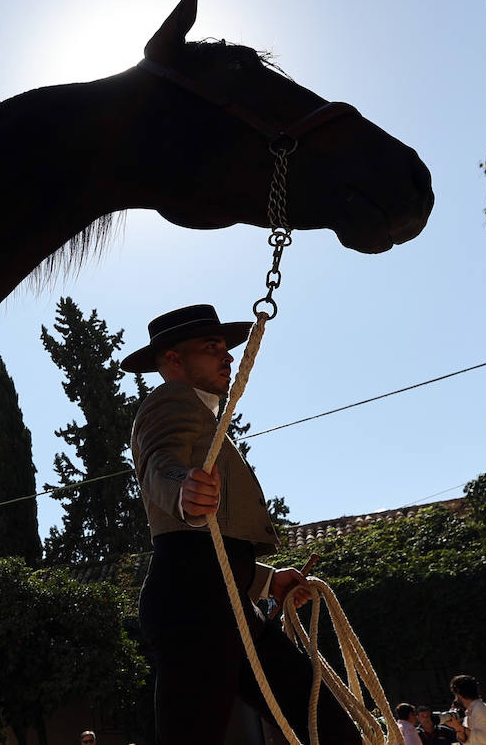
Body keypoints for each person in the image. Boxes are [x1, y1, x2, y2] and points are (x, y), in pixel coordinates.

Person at [122, 304, 360, 745]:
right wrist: (182, 491)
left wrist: (267, 582)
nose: (228, 357)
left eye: (226, 349)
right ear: (173, 360)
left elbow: (217, 557)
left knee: (326, 724)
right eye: (212, 348)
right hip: (193, 608)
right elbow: (159, 463)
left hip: (223, 603)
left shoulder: (204, 415)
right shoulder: (171, 401)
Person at [441, 675, 486, 745]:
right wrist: (458, 728)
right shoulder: (470, 712)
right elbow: (469, 741)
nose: (455, 698)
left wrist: (460, 727)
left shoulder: (481, 709)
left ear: (458, 693)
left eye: (455, 694)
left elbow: (485, 740)